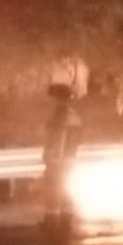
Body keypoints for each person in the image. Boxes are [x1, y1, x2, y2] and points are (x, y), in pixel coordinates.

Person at [40, 83, 82, 228]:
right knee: (64, 187)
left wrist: (52, 156)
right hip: (68, 158)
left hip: (58, 159)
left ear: (58, 98)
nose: (49, 101)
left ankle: (51, 220)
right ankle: (66, 217)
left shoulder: (60, 114)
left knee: (53, 187)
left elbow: (58, 137)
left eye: (52, 98)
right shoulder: (73, 114)